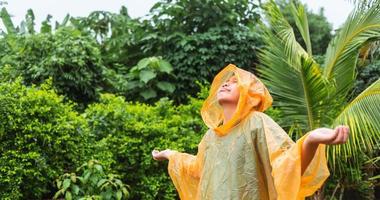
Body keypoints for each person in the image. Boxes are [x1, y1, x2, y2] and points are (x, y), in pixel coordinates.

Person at [152, 64, 349, 200]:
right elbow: (197, 168)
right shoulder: (211, 136)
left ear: (249, 94)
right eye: (225, 81)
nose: (226, 83)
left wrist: (311, 140)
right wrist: (171, 155)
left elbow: (285, 164)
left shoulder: (256, 123)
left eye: (235, 81)